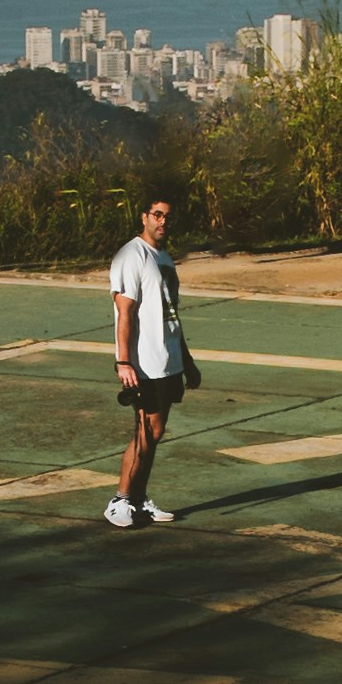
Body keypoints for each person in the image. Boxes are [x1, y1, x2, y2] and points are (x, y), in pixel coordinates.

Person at [104, 193, 198, 527]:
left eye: (167, 216)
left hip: (168, 359)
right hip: (144, 362)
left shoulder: (164, 257)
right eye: (157, 215)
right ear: (144, 216)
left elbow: (171, 314)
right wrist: (123, 361)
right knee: (144, 431)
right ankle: (120, 500)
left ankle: (139, 499)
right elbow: (124, 312)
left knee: (155, 431)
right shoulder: (132, 255)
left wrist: (186, 360)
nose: (162, 222)